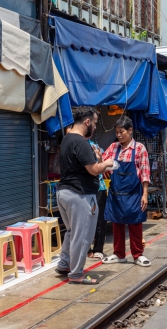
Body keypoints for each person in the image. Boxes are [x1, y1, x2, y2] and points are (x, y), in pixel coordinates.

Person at [56, 107, 114, 284]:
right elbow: (94, 169)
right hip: (80, 195)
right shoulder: (81, 143)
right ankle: (76, 274)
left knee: (72, 232)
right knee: (82, 235)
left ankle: (64, 264)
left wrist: (97, 159)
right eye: (95, 123)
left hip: (64, 193)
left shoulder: (67, 139)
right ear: (87, 122)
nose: (95, 127)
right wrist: (107, 163)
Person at [102, 116, 151, 267]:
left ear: (130, 130)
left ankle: (137, 255)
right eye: (117, 132)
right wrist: (98, 157)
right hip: (116, 194)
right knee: (117, 223)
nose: (119, 135)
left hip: (134, 194)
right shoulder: (114, 147)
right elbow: (103, 162)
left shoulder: (139, 148)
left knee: (135, 223)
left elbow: (145, 173)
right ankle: (119, 254)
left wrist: (145, 194)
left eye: (121, 131)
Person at [87, 136, 108, 261]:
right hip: (84, 189)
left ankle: (98, 248)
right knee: (86, 220)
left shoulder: (94, 145)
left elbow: (102, 166)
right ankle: (87, 248)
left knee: (100, 220)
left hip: (99, 187)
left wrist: (100, 159)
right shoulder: (76, 144)